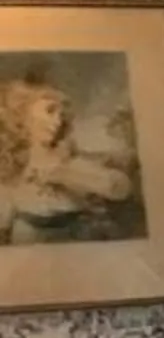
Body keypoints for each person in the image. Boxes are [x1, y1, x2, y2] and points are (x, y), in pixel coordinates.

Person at [0, 72, 138, 244]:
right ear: (22, 116)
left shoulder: (69, 162)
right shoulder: (13, 169)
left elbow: (120, 188)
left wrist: (64, 174)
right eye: (50, 111)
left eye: (62, 114)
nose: (58, 121)